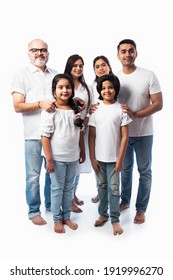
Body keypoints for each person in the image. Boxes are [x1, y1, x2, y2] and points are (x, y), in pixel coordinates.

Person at [11, 38, 59, 225]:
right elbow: (17, 106)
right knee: (33, 176)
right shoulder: (21, 75)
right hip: (33, 135)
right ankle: (33, 211)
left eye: (43, 50)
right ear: (28, 53)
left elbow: (64, 97)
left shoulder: (55, 74)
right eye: (35, 50)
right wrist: (39, 104)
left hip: (55, 134)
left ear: (48, 52)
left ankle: (50, 204)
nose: (40, 53)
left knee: (52, 173)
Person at [116, 39, 163, 224]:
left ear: (136, 53)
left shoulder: (148, 75)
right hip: (123, 134)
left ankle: (141, 209)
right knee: (125, 169)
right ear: (118, 55)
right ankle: (125, 201)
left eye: (131, 51)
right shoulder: (115, 78)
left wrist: (136, 115)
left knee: (144, 171)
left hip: (144, 133)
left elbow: (158, 104)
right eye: (124, 51)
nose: (127, 54)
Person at [41, 74, 85, 233]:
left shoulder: (75, 110)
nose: (64, 90)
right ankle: (56, 219)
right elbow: (44, 137)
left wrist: (83, 151)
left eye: (68, 87)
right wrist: (50, 160)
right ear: (54, 91)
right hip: (57, 159)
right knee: (57, 189)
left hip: (72, 157)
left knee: (68, 189)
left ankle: (66, 216)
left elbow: (80, 132)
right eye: (60, 87)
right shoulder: (51, 111)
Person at [88, 74, 132, 235]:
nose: (107, 90)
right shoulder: (96, 109)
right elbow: (91, 135)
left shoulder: (121, 109)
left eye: (110, 87)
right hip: (99, 158)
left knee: (114, 189)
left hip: (115, 159)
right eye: (104, 87)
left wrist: (120, 160)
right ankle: (102, 214)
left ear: (116, 89)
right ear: (100, 89)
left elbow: (125, 136)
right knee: (101, 187)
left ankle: (115, 219)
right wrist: (92, 158)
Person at [64, 54, 92, 213]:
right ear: (69, 66)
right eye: (75, 65)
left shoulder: (86, 87)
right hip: (67, 130)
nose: (78, 68)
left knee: (79, 162)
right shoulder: (64, 84)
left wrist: (86, 120)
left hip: (83, 130)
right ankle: (68, 200)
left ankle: (73, 194)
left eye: (81, 65)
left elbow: (91, 107)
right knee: (70, 163)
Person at [90, 55, 114, 203]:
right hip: (97, 125)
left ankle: (114, 193)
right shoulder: (92, 86)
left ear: (109, 67)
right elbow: (89, 104)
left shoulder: (115, 83)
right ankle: (101, 191)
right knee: (99, 159)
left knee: (113, 160)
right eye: (97, 66)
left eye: (103, 65)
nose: (101, 68)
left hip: (112, 126)